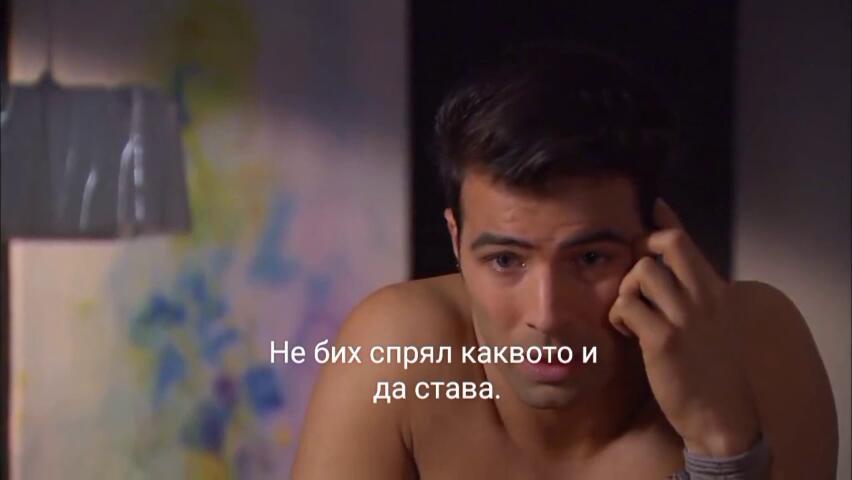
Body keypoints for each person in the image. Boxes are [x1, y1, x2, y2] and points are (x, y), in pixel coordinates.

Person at [291, 44, 837, 479]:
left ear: (654, 240)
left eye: (591, 258)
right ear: (457, 241)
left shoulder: (753, 341)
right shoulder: (399, 348)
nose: (547, 315)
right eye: (506, 259)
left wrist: (720, 443)